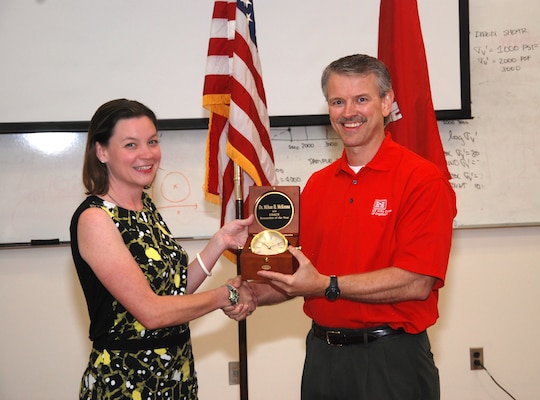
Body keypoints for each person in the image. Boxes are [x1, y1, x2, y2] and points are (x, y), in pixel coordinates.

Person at [241, 54, 457, 400]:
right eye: (337, 101)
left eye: (362, 99)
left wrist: (328, 285)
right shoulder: (317, 185)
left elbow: (417, 281)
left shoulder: (422, 180)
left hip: (392, 361)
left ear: (387, 103)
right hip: (323, 358)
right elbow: (301, 276)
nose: (348, 112)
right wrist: (251, 293)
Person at [70, 98, 255, 399]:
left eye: (152, 141)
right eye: (131, 145)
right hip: (127, 380)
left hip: (175, 373)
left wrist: (219, 241)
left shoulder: (146, 207)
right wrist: (226, 295)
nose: (147, 154)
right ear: (101, 151)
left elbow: (174, 291)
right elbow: (152, 312)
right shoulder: (95, 219)